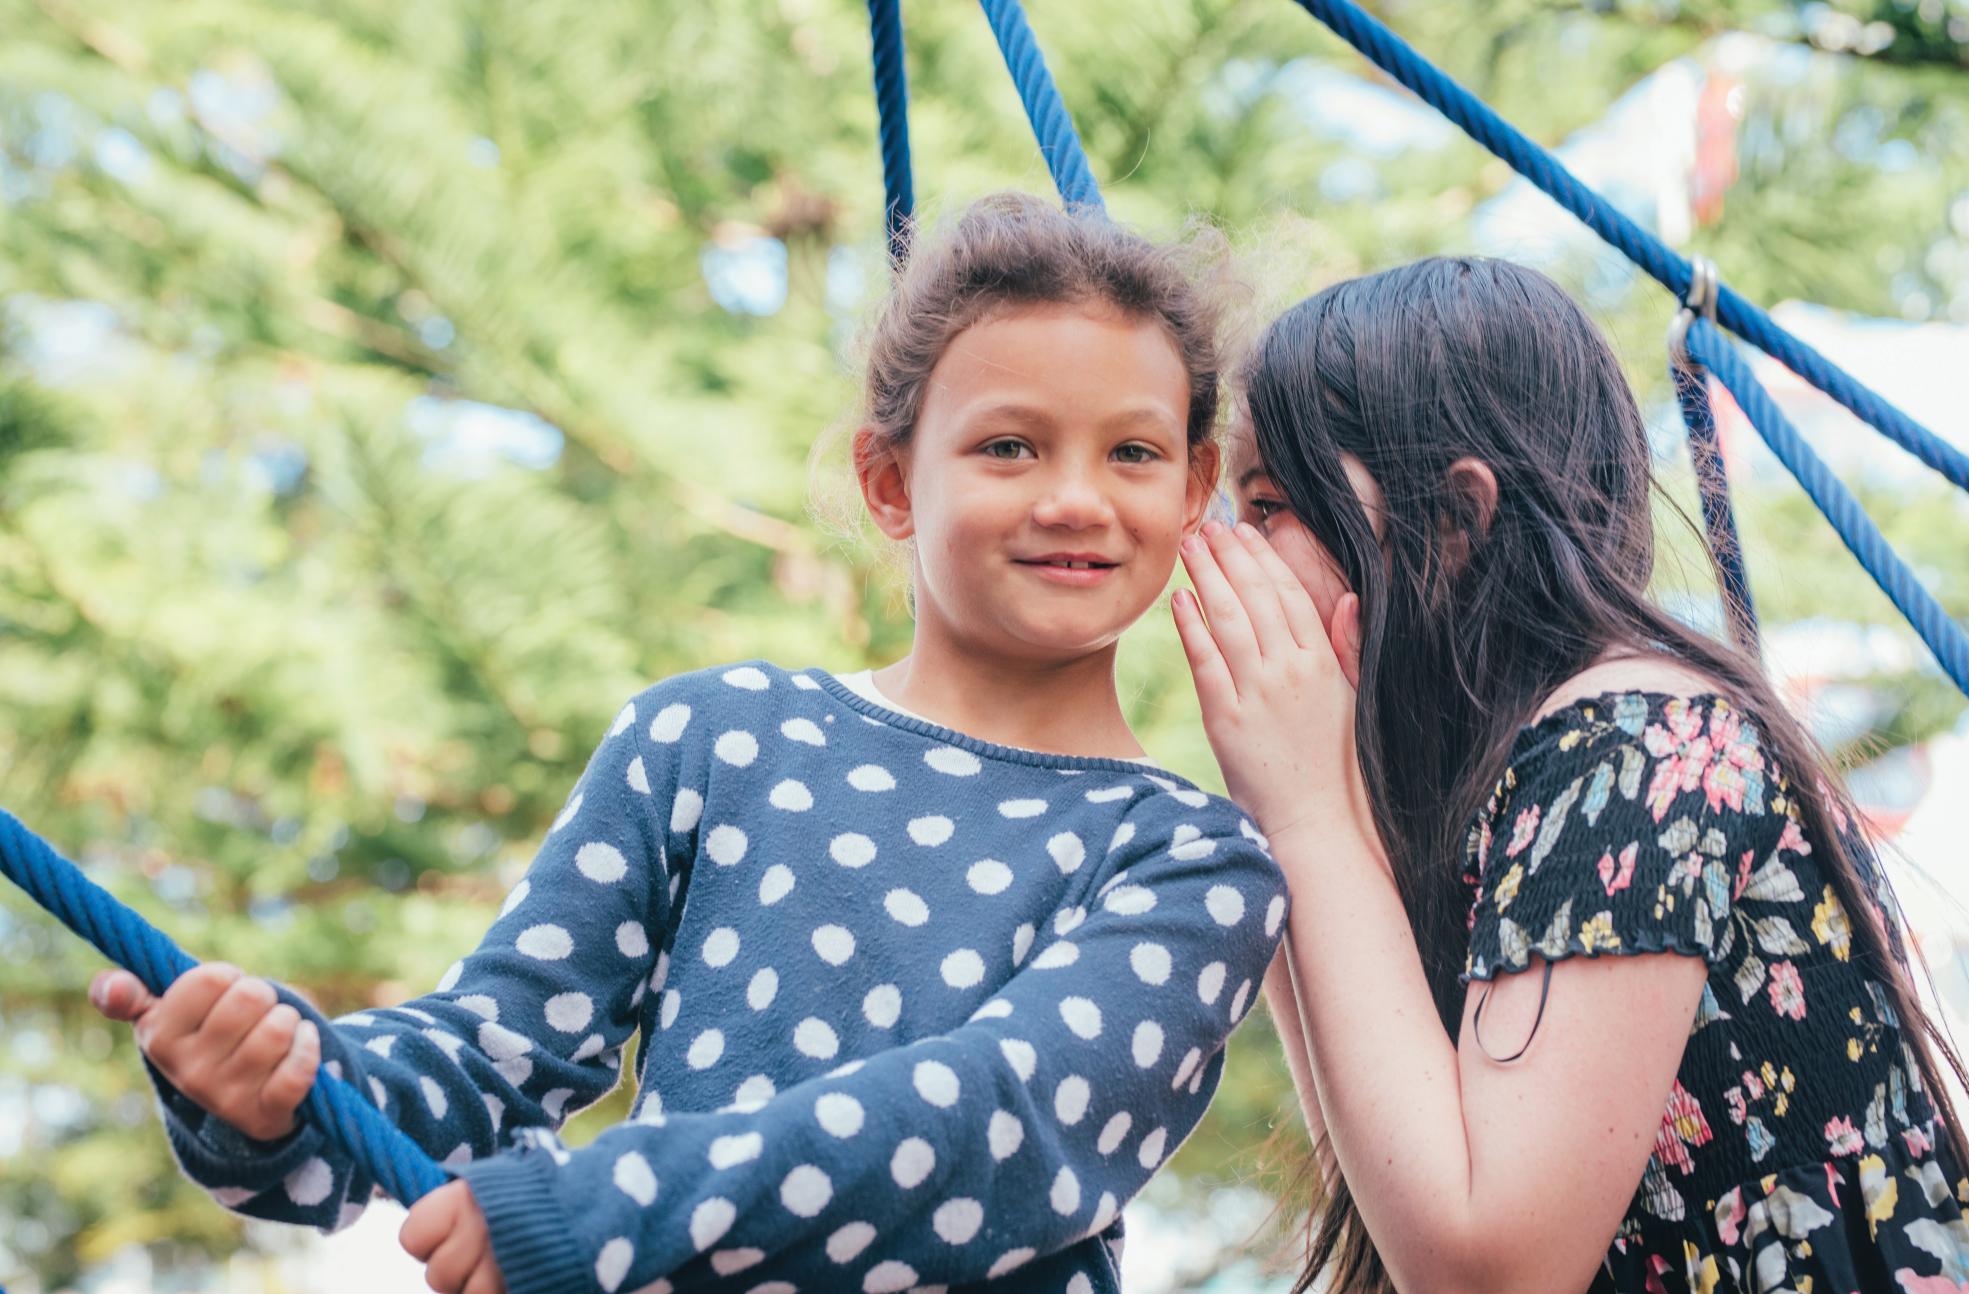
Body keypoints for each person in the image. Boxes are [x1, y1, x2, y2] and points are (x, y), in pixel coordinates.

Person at [88, 194, 1287, 1294]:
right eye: (1007, 446)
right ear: (888, 482)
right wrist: (291, 1086)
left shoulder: (1189, 859)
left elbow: (1002, 1127)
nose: (1074, 497)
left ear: (1191, 492)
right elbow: (497, 1052)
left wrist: (610, 1209)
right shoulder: (715, 738)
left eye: (1130, 453)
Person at [1171, 256, 1969, 1293]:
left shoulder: (1633, 741)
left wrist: (1301, 808)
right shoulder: (1519, 770)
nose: (1225, 558)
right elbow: (1396, 1183)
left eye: (1266, 508)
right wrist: (1290, 797)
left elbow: (1487, 1268)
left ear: (1451, 521)